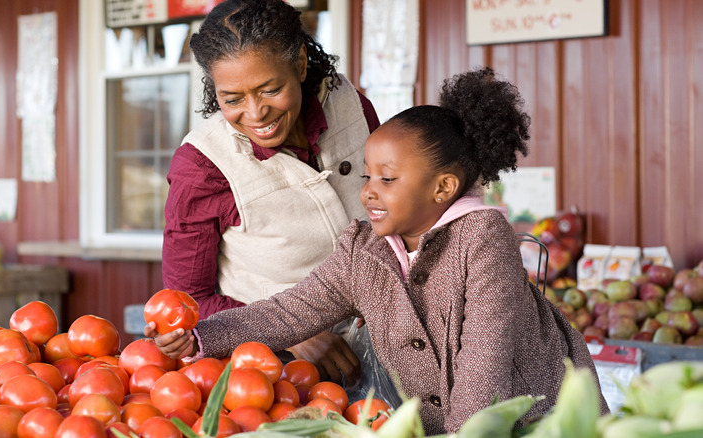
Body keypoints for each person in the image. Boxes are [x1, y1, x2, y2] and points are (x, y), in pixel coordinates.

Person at [148, 67, 609, 434]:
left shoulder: (485, 243)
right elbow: (288, 313)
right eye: (366, 176)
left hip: (539, 422)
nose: (368, 191)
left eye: (387, 179)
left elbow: (482, 367)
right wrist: (202, 337)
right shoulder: (364, 249)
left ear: (442, 188)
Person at [160, 0, 381, 386]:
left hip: (384, 341)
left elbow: (394, 204)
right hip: (273, 374)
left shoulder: (351, 105)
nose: (256, 112)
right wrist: (293, 333)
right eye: (232, 99)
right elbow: (188, 300)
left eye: (270, 89)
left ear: (298, 63)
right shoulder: (202, 166)